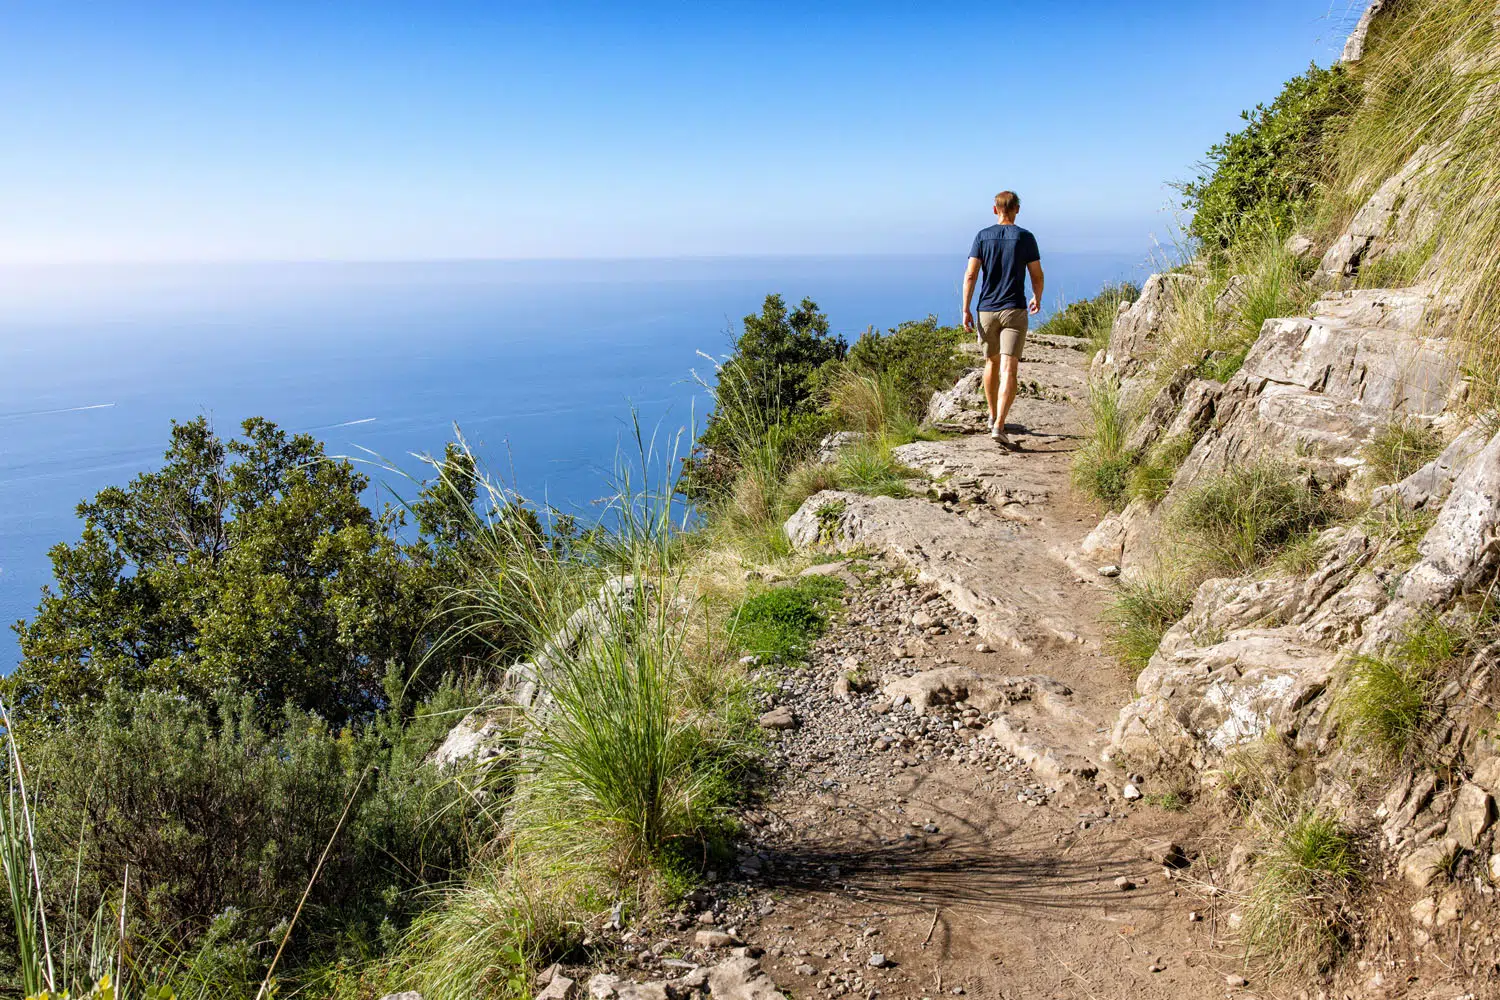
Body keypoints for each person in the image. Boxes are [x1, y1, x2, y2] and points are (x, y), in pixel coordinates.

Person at [961, 191, 1043, 449]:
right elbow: (1037, 275)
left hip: (986, 310)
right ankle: (999, 426)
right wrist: (1036, 297)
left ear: (995, 210)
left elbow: (971, 275)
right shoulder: (1025, 237)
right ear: (1017, 209)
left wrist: (965, 309)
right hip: (1014, 309)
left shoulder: (982, 237)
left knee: (990, 363)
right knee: (1009, 367)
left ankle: (992, 415)